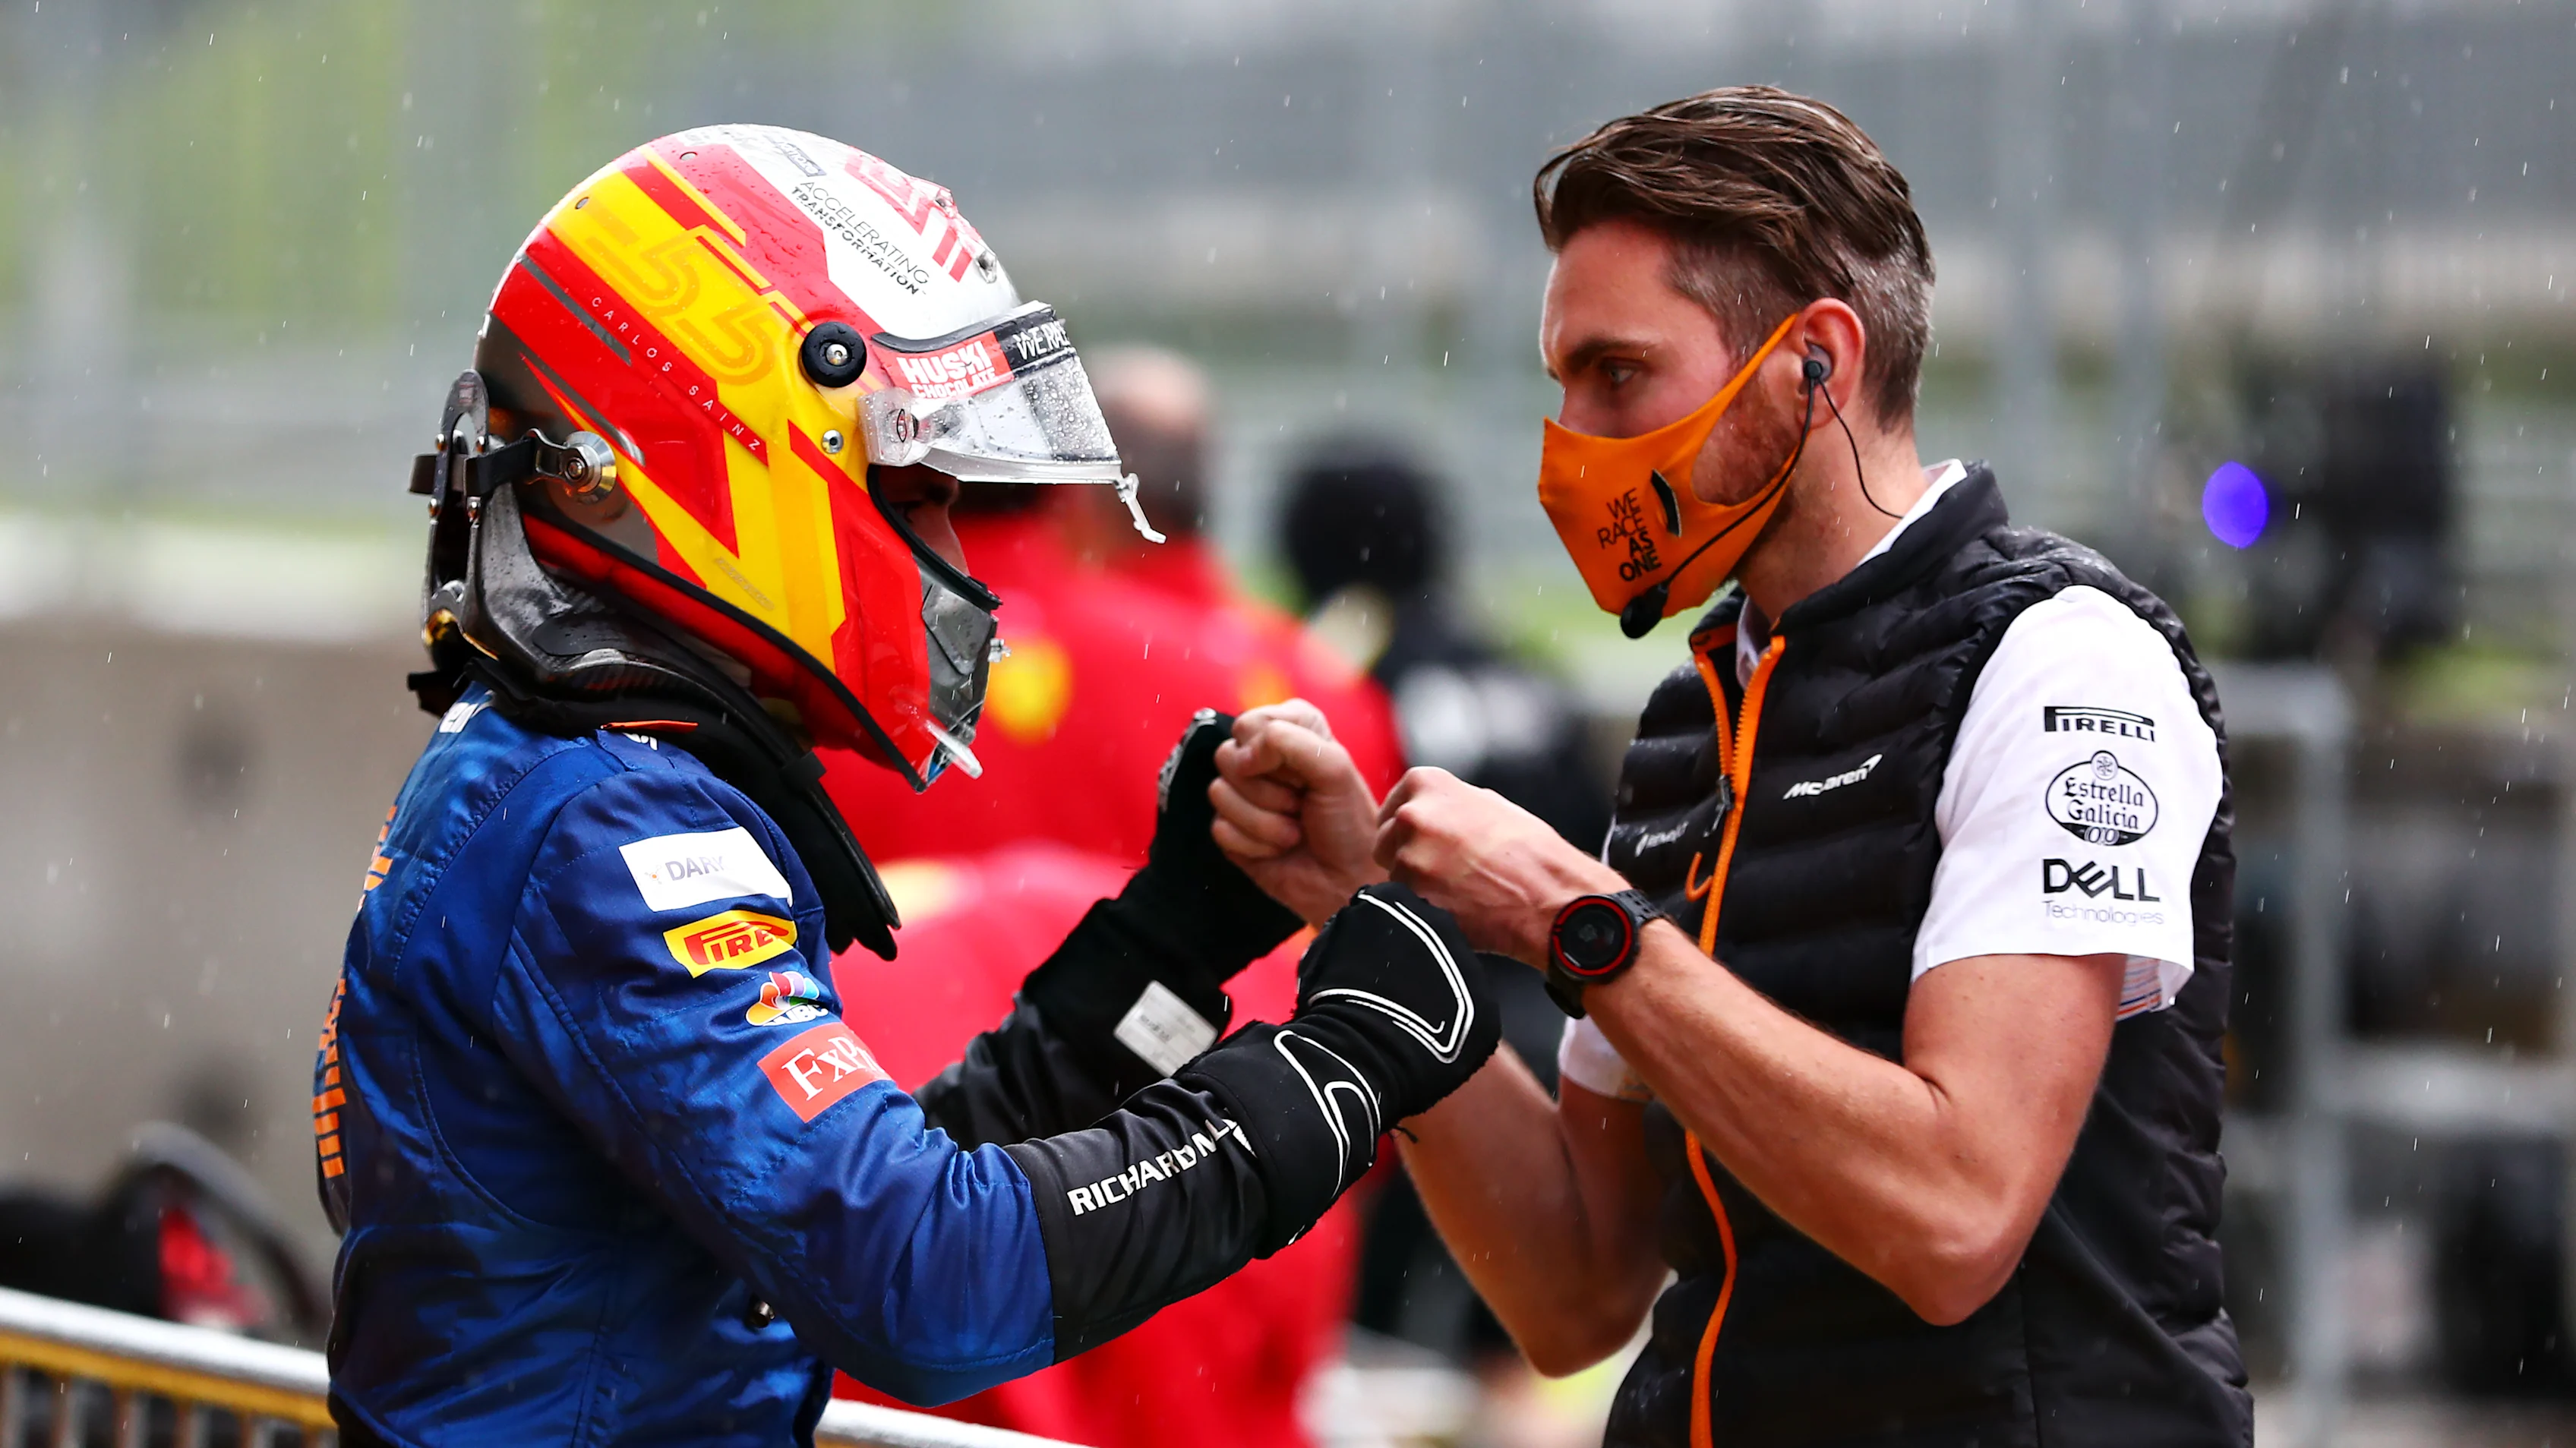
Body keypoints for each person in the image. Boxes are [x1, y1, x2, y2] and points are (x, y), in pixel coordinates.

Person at [314, 125, 1497, 1447]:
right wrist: (1333, 1070)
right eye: (918, 495)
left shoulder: (582, 777)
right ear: (730, 456)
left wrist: (1173, 948)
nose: (960, 561)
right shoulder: (608, 827)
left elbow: (838, 1206)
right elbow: (923, 1278)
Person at [1210, 88, 2248, 1446]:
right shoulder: (1693, 716)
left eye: (1618, 374)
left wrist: (1586, 929)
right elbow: (1575, 1287)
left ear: (1811, 360)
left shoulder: (2061, 664)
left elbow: (1954, 1215)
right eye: (1560, 383)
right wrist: (1369, 920)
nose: (1571, 445)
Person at [819, 349, 1403, 1448]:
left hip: (891, 1156)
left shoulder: (827, 672)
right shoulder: (1300, 690)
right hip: (1214, 1159)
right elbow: (1369, 986)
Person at [1276, 435, 1605, 1366]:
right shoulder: (1519, 670)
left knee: (1375, 1351)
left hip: (1418, 1056)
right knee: (1508, 1350)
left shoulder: (1340, 674)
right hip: (1560, 1038)